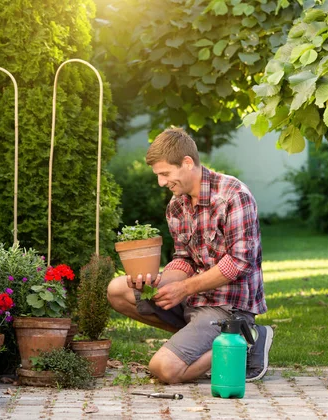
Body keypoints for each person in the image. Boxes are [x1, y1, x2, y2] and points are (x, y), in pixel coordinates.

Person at [107, 127, 273, 384]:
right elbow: (184, 258)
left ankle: (243, 339)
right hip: (195, 299)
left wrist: (183, 289)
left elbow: (239, 262)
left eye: (165, 174)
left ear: (187, 163)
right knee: (118, 289)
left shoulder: (233, 195)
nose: (161, 182)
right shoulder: (177, 205)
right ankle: (199, 340)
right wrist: (159, 281)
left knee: (164, 369)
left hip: (226, 306)